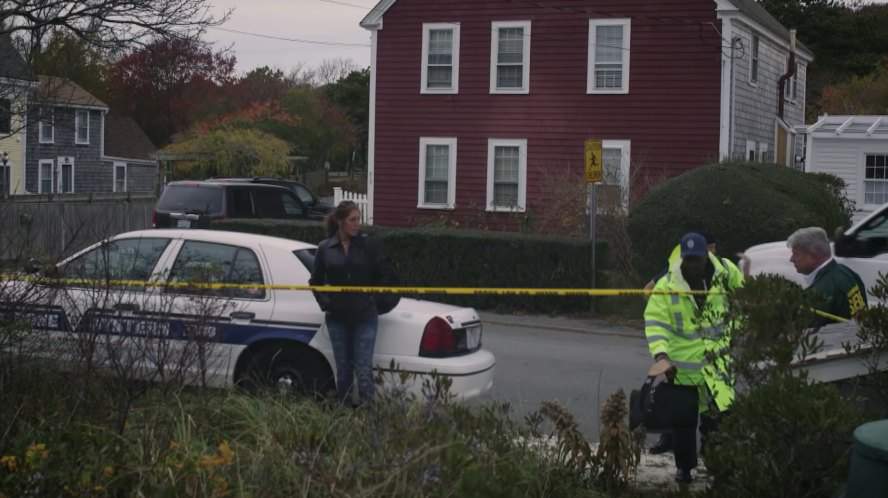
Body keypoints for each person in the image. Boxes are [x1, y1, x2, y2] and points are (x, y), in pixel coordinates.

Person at [643, 232, 742, 483]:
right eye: (688, 260)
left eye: (697, 260)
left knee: (719, 421)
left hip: (717, 366)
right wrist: (662, 356)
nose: (692, 265)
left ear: (707, 257)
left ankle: (718, 466)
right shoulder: (667, 285)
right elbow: (656, 322)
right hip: (682, 369)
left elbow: (746, 299)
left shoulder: (725, 275)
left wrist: (738, 330)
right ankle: (685, 469)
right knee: (683, 424)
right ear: (682, 259)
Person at [310, 201, 398, 406]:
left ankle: (368, 417)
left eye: (359, 219)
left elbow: (385, 275)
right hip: (337, 318)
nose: (357, 224)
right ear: (341, 222)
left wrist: (374, 302)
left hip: (365, 316)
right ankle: (344, 412)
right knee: (343, 369)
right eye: (353, 220)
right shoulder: (325, 248)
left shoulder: (368, 246)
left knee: (363, 368)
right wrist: (326, 303)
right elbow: (315, 282)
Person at [787, 227, 867, 326]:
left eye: (796, 254)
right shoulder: (847, 272)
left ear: (813, 255)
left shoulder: (821, 291)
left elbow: (808, 332)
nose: (792, 259)